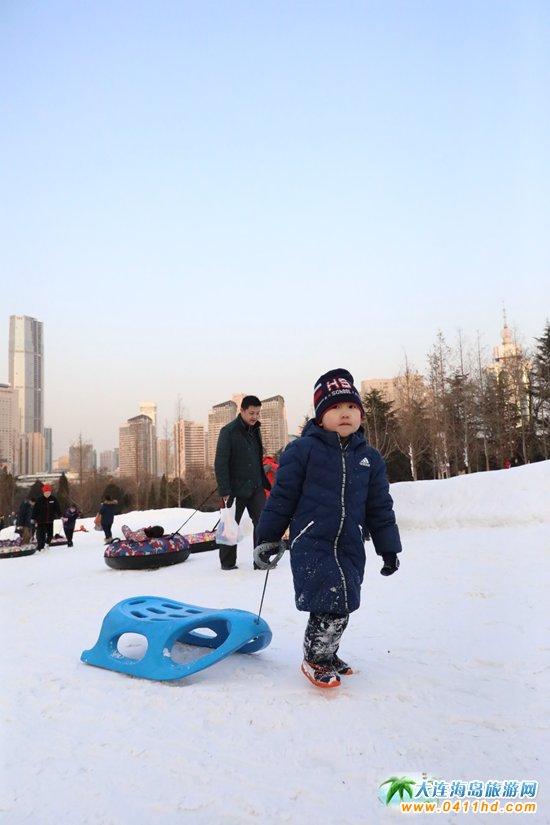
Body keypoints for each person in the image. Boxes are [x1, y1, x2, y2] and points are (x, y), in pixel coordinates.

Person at [254, 368, 402, 690]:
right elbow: (282, 498)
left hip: (349, 542)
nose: (344, 413)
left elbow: (380, 507)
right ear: (320, 417)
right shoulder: (302, 451)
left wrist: (388, 547)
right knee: (329, 600)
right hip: (313, 541)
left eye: (351, 407)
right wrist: (266, 538)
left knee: (345, 601)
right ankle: (315, 658)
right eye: (335, 408)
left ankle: (329, 653)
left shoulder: (370, 459)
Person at [214, 395, 271, 570]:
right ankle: (228, 563)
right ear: (242, 411)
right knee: (230, 525)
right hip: (234, 489)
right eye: (252, 413)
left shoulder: (256, 430)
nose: (255, 417)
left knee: (262, 522)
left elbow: (256, 457)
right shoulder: (228, 431)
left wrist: (263, 481)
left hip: (255, 486)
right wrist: (225, 490)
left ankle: (261, 560)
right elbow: (220, 462)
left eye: (258, 413)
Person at [32, 483, 61, 551]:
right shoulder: (39, 499)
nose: (47, 494)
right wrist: (33, 518)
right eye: (46, 493)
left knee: (50, 535)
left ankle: (47, 543)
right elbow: (35, 509)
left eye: (49, 492)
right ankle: (40, 547)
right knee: (41, 535)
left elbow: (57, 508)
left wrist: (60, 515)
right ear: (43, 492)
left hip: (50, 520)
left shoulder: (53, 499)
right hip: (41, 521)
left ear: (50, 492)